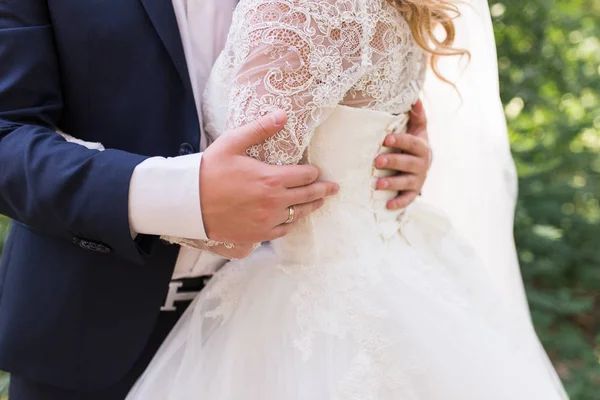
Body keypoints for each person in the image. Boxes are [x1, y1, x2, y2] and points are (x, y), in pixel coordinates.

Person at [126, 0, 569, 399]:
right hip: (399, 272)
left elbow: (241, 205)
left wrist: (133, 206)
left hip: (310, 304)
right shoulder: (398, 9)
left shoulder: (295, 9)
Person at [0, 1, 431, 399]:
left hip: (297, 342)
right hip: (86, 331)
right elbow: (7, 135)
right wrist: (175, 197)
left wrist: (391, 156)